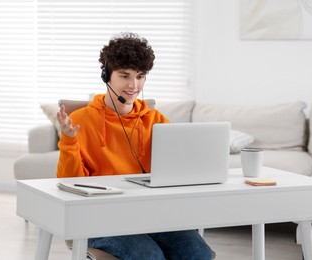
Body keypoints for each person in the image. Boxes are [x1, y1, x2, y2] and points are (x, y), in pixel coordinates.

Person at [56, 32, 213, 260]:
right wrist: (68, 140)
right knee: (149, 255)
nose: (133, 85)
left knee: (198, 252)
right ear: (106, 76)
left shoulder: (156, 120)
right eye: (125, 76)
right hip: (97, 218)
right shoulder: (80, 121)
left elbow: (178, 171)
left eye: (140, 76)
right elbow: (69, 183)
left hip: (150, 215)